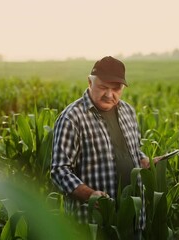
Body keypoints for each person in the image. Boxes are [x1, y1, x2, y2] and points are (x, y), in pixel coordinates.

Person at [50, 56, 163, 234]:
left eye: (116, 89)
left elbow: (132, 151)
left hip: (132, 220)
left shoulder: (128, 111)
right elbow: (59, 170)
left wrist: (144, 162)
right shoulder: (72, 118)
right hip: (93, 225)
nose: (110, 95)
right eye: (103, 87)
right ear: (90, 82)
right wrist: (91, 195)